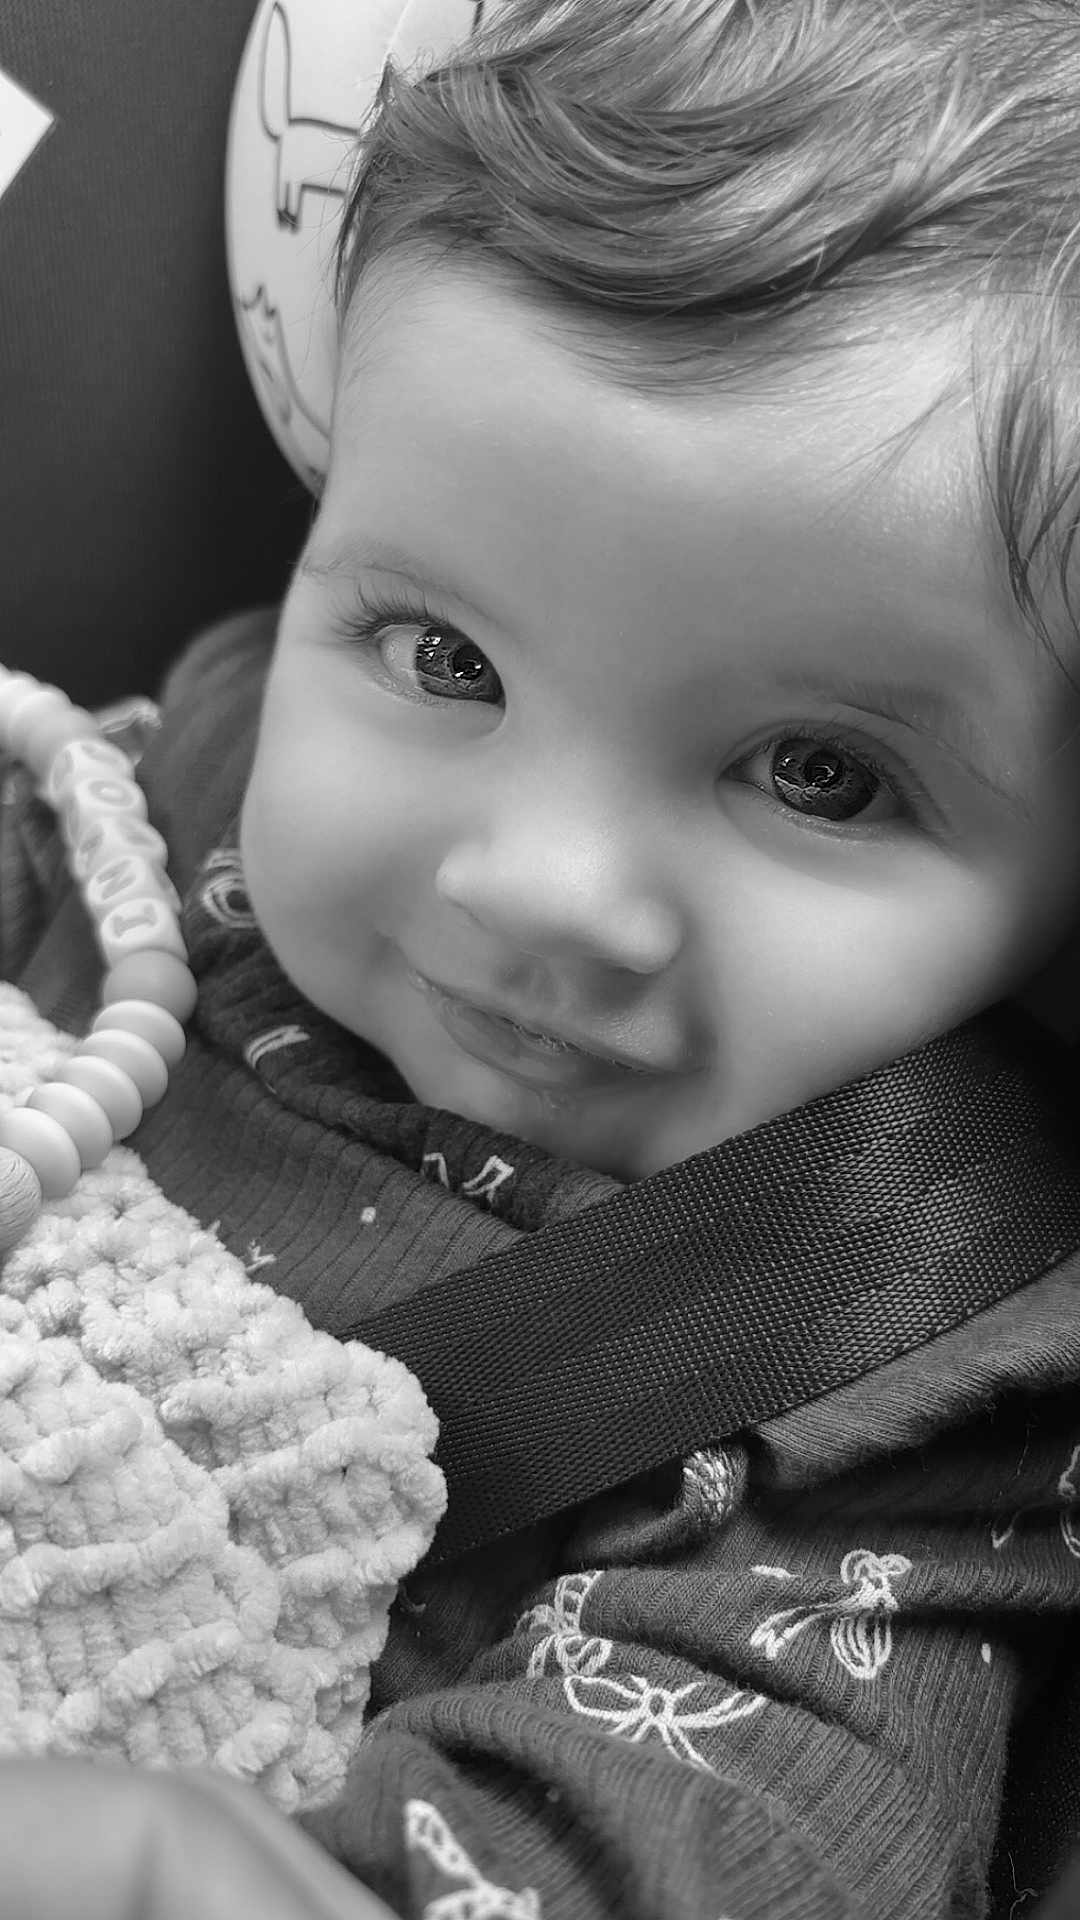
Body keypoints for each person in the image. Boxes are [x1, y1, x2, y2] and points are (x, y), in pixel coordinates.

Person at [2, 0, 1080, 1913]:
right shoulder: (159, 806)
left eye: (820, 775)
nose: (543, 888)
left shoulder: (908, 1377)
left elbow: (705, 1841)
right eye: (444, 660)